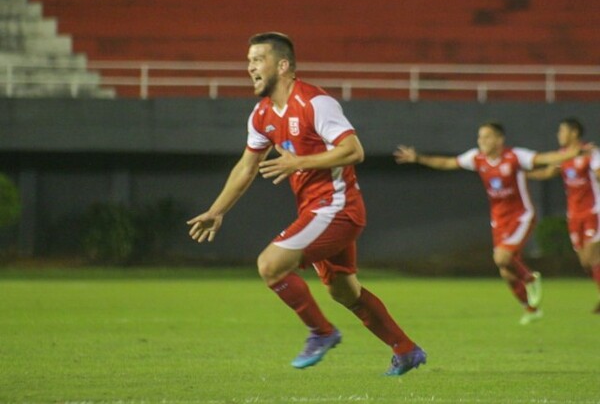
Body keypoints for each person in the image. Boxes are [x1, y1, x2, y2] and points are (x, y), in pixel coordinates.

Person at [187, 32, 425, 375]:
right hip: (318, 210)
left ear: (283, 65)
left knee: (270, 264)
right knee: (344, 293)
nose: (250, 67)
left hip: (337, 207)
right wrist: (217, 210)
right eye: (249, 61)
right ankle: (405, 349)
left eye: (258, 60)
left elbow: (354, 150)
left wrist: (297, 162)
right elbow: (247, 166)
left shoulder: (314, 102)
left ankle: (322, 332)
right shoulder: (261, 114)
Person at [394, 122, 583, 324]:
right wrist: (418, 158)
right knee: (506, 271)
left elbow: (545, 158)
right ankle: (531, 309)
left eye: (487, 137)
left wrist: (573, 153)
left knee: (502, 258)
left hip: (521, 216)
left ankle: (530, 279)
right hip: (499, 220)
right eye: (480, 137)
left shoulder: (515, 156)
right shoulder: (477, 158)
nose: (482, 141)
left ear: (500, 139)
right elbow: (448, 163)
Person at [527, 118, 600, 313]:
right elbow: (547, 172)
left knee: (592, 255)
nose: (559, 135)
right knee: (585, 261)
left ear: (574, 133)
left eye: (562, 131)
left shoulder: (591, 153)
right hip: (574, 214)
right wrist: (523, 175)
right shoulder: (562, 156)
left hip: (594, 211)